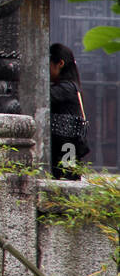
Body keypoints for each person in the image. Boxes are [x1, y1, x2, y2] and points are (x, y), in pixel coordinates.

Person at [49, 43, 89, 180]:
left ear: (60, 63)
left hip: (67, 146)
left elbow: (41, 97)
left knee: (66, 179)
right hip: (66, 144)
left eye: (48, 64)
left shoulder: (67, 88)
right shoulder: (71, 87)